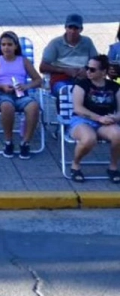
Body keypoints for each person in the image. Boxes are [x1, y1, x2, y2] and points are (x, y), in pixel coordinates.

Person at [0, 31, 44, 159]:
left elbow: (38, 80)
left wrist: (26, 86)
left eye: (9, 44)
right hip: (2, 93)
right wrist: (1, 86)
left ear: (16, 46)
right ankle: (8, 141)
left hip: (21, 93)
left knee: (34, 107)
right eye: (3, 45)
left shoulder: (23, 61)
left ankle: (25, 142)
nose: (6, 47)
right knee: (7, 107)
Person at [68, 55, 120, 183]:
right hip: (82, 120)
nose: (88, 71)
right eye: (87, 68)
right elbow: (78, 108)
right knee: (89, 138)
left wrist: (115, 117)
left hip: (105, 122)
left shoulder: (114, 87)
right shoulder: (81, 85)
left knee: (118, 134)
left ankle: (113, 167)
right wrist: (98, 118)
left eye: (92, 69)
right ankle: (75, 164)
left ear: (103, 72)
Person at [40, 14, 99, 101]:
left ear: (81, 29)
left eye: (76, 28)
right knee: (65, 91)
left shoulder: (87, 42)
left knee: (96, 92)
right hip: (61, 79)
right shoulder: (55, 43)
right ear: (65, 28)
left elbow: (96, 62)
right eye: (70, 27)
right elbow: (43, 67)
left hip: (83, 78)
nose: (72, 31)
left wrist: (86, 69)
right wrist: (64, 70)